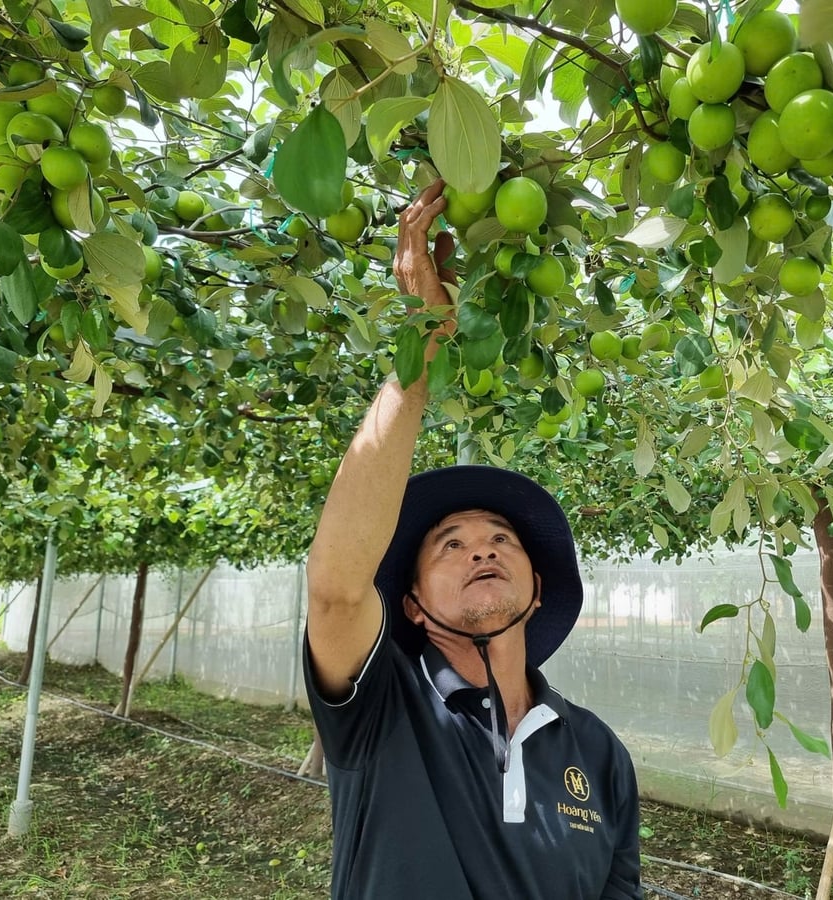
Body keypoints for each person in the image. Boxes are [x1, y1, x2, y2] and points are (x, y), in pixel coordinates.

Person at [303, 179, 642, 900]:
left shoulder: (599, 754)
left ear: (538, 587)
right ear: (412, 606)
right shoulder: (382, 709)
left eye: (501, 539)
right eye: (449, 545)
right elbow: (336, 591)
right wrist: (421, 352)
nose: (482, 549)